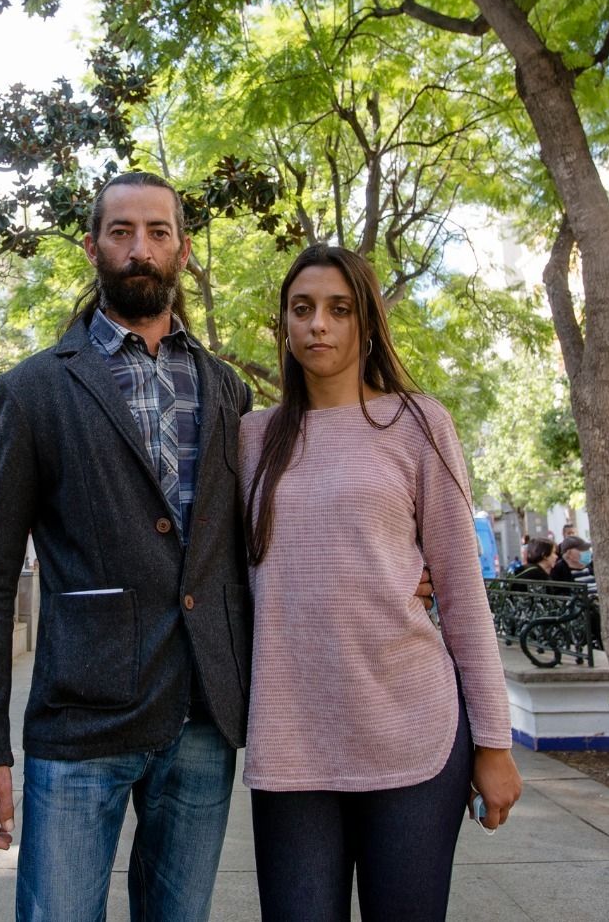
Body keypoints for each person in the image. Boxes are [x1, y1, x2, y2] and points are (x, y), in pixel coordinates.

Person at [0, 172, 435, 920]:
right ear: (93, 247)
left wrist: (404, 561)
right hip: (82, 720)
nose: (140, 248)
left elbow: (256, 536)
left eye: (158, 232)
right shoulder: (35, 391)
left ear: (181, 249)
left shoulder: (228, 394)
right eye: (121, 232)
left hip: (203, 719)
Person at [239, 244, 520, 922]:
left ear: (367, 324)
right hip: (291, 740)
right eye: (301, 310)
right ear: (283, 325)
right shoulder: (251, 437)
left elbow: (459, 593)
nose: (318, 326)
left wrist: (495, 744)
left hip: (414, 730)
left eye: (339, 310)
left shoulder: (418, 423)